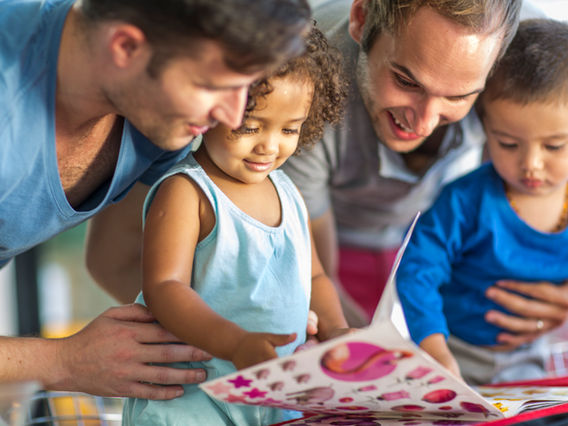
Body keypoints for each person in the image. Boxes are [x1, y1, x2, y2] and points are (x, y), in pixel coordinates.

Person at [0, 0, 311, 399]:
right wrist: (63, 361)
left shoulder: (158, 117)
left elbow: (129, 262)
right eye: (215, 86)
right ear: (126, 47)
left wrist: (260, 322)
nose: (234, 117)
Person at [281, 0, 568, 339]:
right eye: (406, 81)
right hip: (339, 240)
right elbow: (316, 274)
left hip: (440, 242)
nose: (423, 122)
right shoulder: (303, 81)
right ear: (361, 19)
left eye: (459, 96)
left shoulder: (528, 45)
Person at [122, 25, 350, 425]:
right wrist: (236, 343)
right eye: (250, 127)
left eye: (289, 129)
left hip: (276, 402)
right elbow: (164, 288)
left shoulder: (290, 191)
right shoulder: (186, 192)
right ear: (211, 108)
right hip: (191, 403)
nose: (269, 146)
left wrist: (336, 332)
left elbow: (315, 277)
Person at [396, 18, 568, 385]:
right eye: (507, 143)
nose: (531, 164)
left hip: (533, 359)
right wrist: (434, 348)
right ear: (483, 127)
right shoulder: (463, 201)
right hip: (453, 354)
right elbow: (416, 269)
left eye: (555, 146)